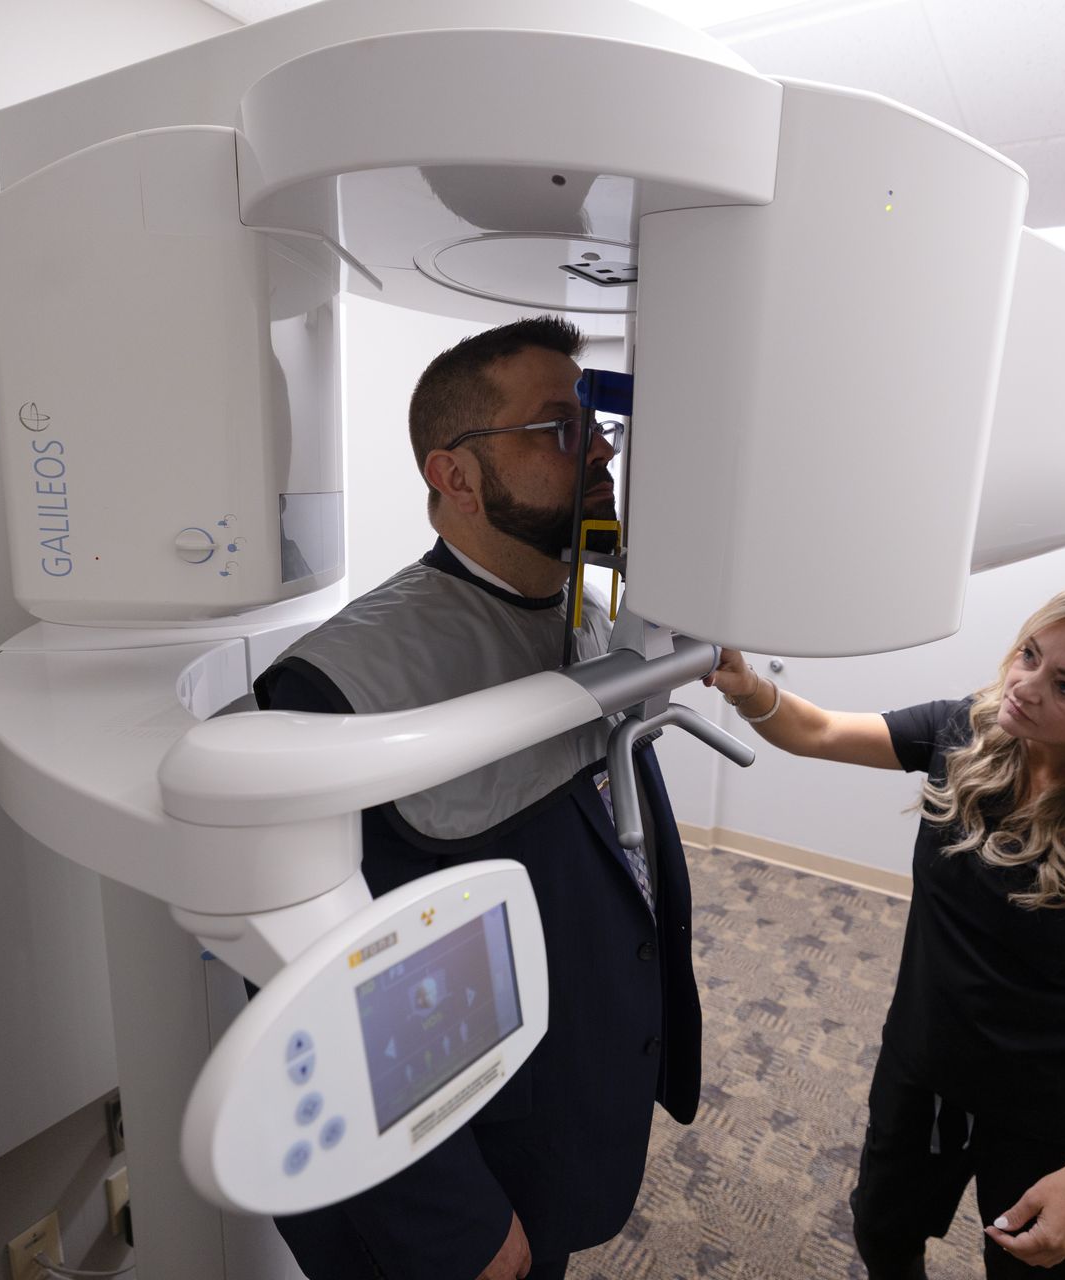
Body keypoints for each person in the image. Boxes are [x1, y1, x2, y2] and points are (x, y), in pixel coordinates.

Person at [253, 316, 700, 1279]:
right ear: (452, 475)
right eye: (557, 429)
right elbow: (319, 997)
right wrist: (452, 1220)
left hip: (566, 1098)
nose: (597, 450)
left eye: (597, 427)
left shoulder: (587, 607)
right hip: (469, 1172)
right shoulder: (333, 688)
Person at [705, 585, 1065, 1279]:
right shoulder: (963, 734)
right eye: (1029, 655)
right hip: (925, 1066)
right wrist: (744, 686)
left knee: (1027, 1269)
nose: (1024, 687)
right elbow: (815, 730)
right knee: (882, 1234)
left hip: (1053, 1110)